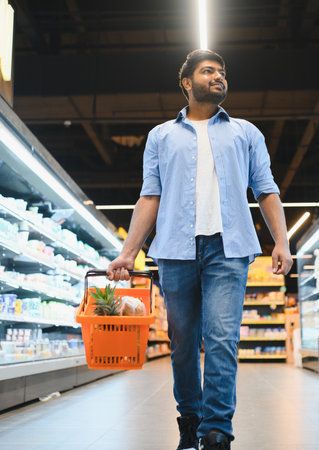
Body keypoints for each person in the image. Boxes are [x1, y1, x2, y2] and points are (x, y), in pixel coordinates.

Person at [107, 49, 293, 450]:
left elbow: (267, 189)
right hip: (175, 251)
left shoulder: (246, 132)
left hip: (229, 250)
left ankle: (217, 431)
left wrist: (282, 240)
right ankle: (190, 420)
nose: (219, 77)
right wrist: (128, 252)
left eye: (223, 72)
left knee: (222, 338)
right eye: (209, 71)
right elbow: (149, 197)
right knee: (183, 342)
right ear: (187, 83)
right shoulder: (161, 136)